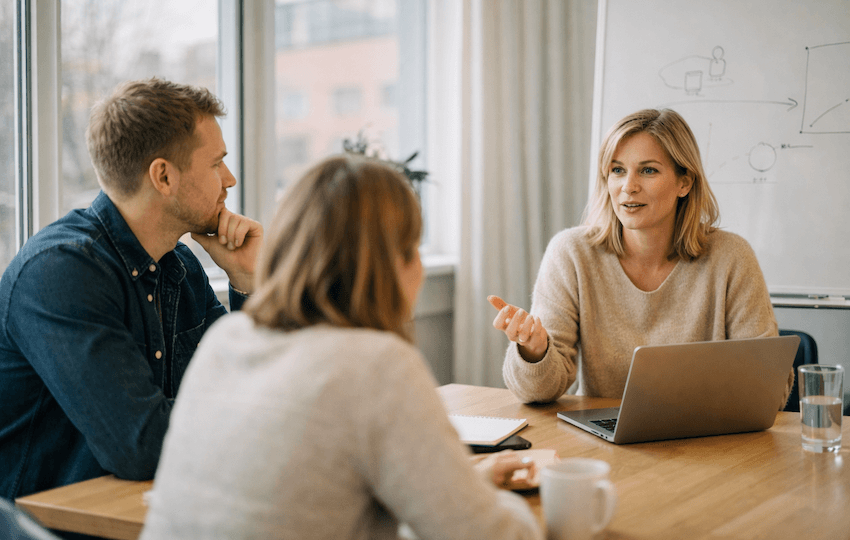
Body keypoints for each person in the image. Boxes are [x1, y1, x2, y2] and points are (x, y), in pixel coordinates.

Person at [140, 155, 543, 540]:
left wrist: (462, 484)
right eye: (412, 247)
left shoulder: (227, 341)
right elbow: (490, 535)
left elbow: (316, 502)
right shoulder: (377, 366)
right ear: (392, 263)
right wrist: (503, 502)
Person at [0, 78, 263, 502]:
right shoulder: (61, 272)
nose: (229, 179)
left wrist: (248, 281)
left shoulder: (180, 266)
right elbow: (142, 447)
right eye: (216, 163)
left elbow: (260, 393)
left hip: (144, 516)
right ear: (163, 176)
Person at [492, 108, 791, 405]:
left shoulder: (731, 257)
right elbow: (537, 392)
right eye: (617, 170)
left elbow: (771, 392)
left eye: (648, 170)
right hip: (604, 444)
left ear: (684, 182)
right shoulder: (571, 253)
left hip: (703, 441)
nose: (628, 187)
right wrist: (535, 351)